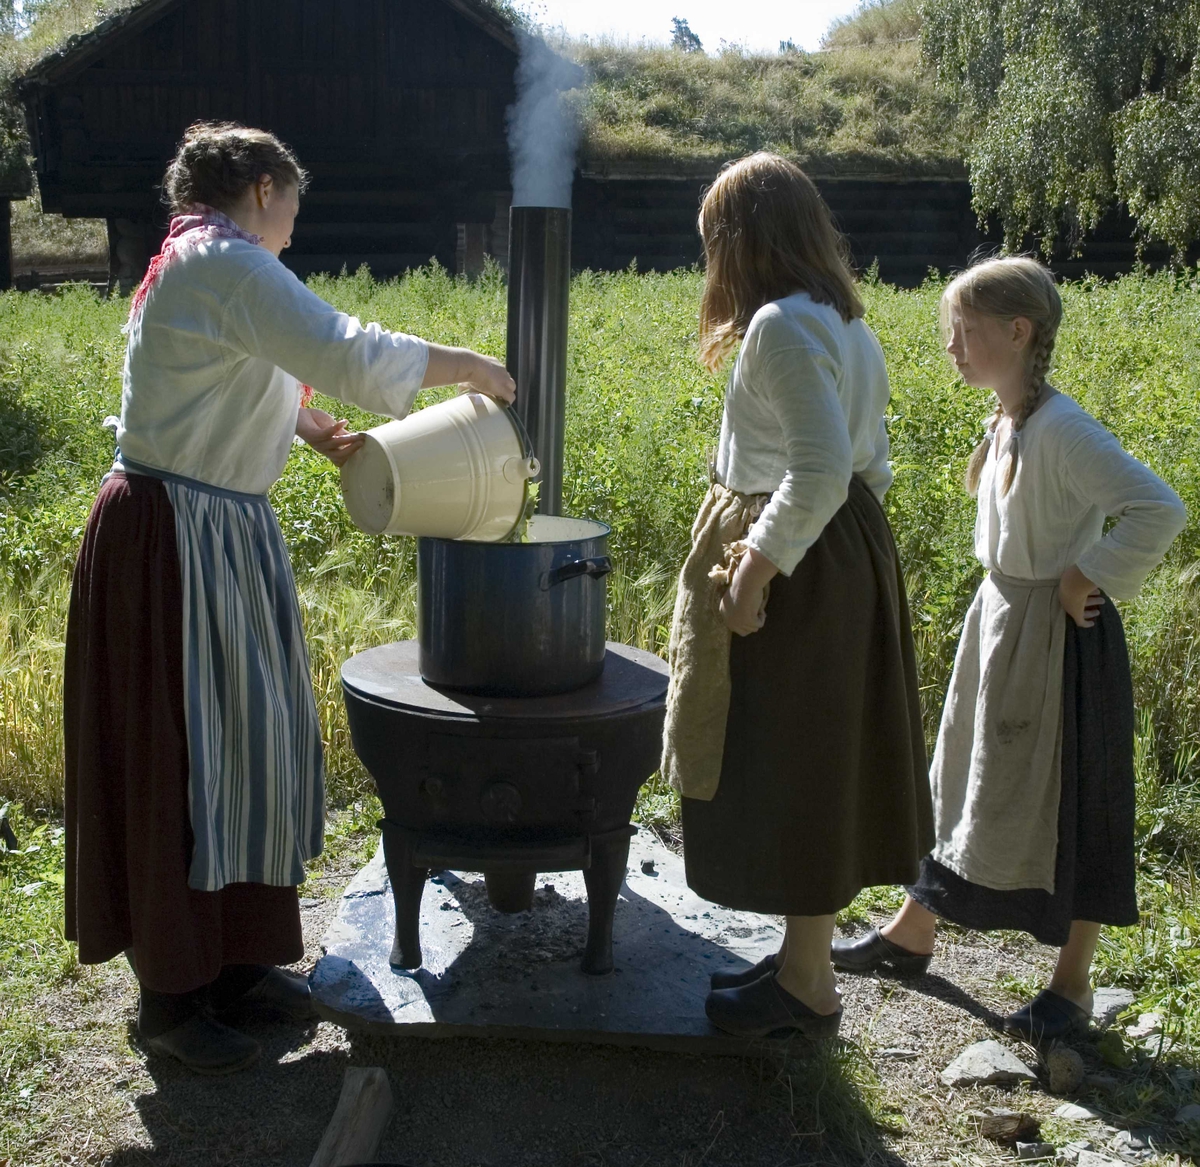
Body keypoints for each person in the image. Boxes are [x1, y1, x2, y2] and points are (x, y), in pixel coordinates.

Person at [63, 121, 515, 1074]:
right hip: (177, 540)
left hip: (214, 529)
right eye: (294, 203)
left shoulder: (200, 260)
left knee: (244, 749)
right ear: (264, 187)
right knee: (188, 757)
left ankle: (233, 962)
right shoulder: (223, 260)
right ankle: (174, 998)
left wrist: (305, 425)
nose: (297, 223)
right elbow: (344, 344)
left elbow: (221, 372)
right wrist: (469, 365)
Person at [832, 256, 1186, 1041]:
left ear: (1017, 331)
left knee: (1075, 804)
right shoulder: (1008, 418)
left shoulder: (1062, 428)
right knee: (958, 775)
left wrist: (1085, 572)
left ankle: (1072, 986)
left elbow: (1157, 506)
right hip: (1001, 627)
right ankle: (911, 931)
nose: (951, 347)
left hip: (1061, 643)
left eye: (963, 330)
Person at [660, 152, 934, 1039]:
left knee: (793, 761)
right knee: (811, 761)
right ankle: (798, 960)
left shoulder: (780, 326)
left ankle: (808, 987)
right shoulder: (843, 321)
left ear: (742, 242)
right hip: (837, 549)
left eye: (713, 242)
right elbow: (866, 467)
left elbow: (815, 469)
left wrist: (753, 571)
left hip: (796, 564)